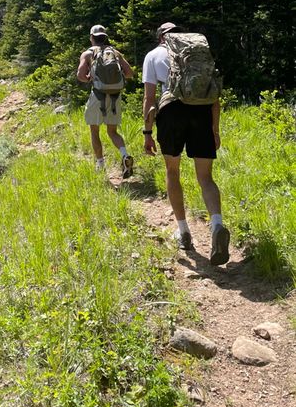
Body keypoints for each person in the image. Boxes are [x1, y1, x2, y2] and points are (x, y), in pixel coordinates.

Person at [142, 22, 230, 265]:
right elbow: (213, 95)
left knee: (173, 171)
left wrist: (147, 132)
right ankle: (217, 225)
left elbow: (149, 98)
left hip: (171, 112)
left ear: (160, 37)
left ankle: (183, 232)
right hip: (201, 112)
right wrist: (215, 129)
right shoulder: (197, 53)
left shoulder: (153, 55)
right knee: (206, 178)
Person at [77, 24, 134, 177]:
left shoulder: (87, 54)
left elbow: (80, 75)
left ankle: (100, 164)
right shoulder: (115, 52)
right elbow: (129, 73)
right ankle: (124, 155)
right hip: (115, 96)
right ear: (105, 36)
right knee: (112, 131)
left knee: (94, 131)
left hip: (97, 95)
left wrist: (90, 78)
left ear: (91, 37)